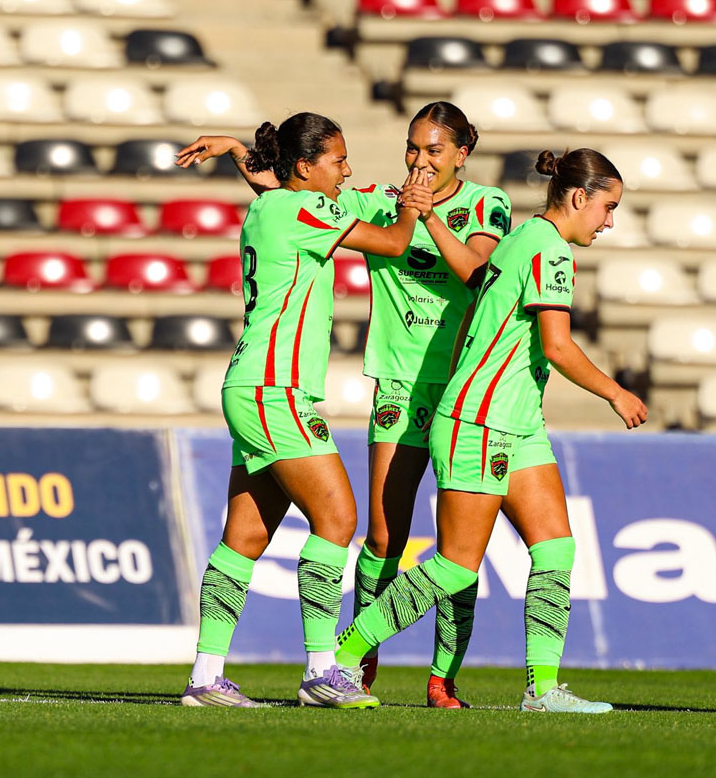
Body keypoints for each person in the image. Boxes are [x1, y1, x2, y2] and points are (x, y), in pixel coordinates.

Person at [176, 102, 511, 709]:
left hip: (252, 384)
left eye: (432, 150)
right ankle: (325, 668)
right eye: (337, 161)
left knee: (245, 537)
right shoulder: (303, 208)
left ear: (461, 154)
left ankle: (204, 677)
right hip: (277, 388)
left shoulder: (277, 205)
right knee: (339, 520)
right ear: (305, 167)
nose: (349, 172)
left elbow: (278, 182)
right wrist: (413, 213)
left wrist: (233, 150)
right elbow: (387, 240)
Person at [330, 148, 647, 713]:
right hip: (479, 421)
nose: (609, 221)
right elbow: (556, 345)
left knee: (556, 550)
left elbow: (476, 308)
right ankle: (345, 654)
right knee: (454, 566)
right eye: (607, 207)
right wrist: (615, 392)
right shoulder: (549, 252)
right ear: (579, 197)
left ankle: (543, 690)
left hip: (518, 423)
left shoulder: (523, 239)